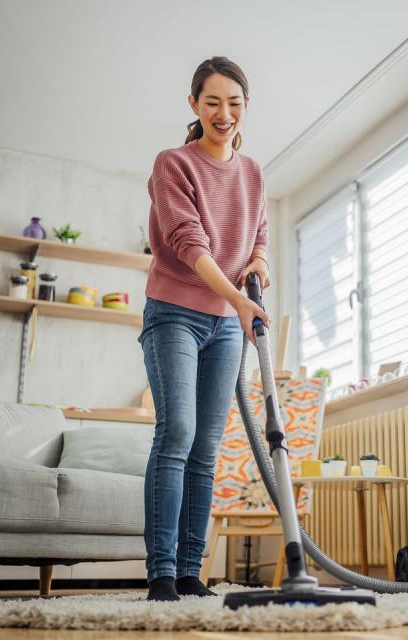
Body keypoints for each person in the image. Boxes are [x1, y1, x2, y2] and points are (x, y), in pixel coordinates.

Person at [139, 56, 270, 602]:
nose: (224, 113)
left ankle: (192, 573)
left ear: (245, 109)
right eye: (212, 101)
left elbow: (259, 231)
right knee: (177, 434)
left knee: (207, 447)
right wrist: (239, 299)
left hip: (227, 323)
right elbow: (189, 244)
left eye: (234, 103)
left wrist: (260, 260)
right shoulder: (174, 163)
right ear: (193, 105)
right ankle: (161, 574)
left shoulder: (253, 172)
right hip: (174, 312)